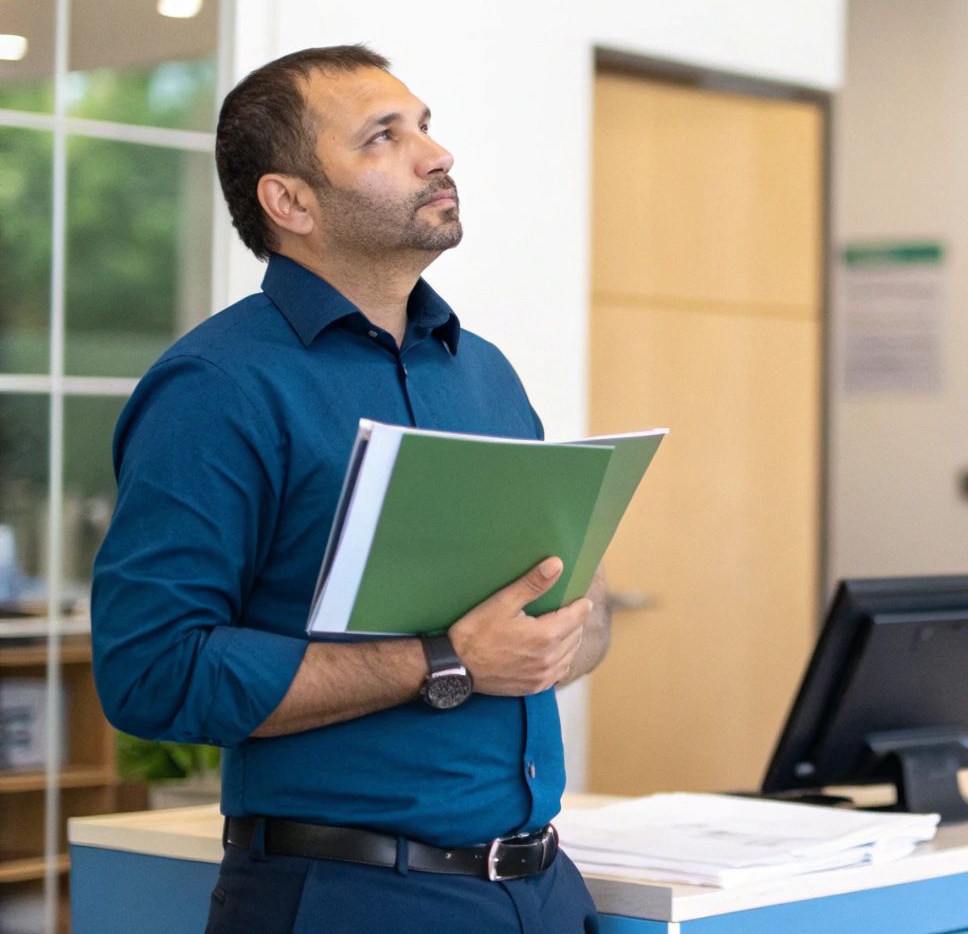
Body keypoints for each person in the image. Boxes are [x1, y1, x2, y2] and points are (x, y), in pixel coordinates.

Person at [91, 45, 609, 933]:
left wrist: (574, 627)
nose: (436, 154)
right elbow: (152, 672)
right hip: (350, 898)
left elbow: (567, 611)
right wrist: (445, 663)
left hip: (543, 891)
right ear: (290, 202)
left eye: (425, 126)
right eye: (383, 136)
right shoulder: (216, 387)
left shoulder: (484, 374)